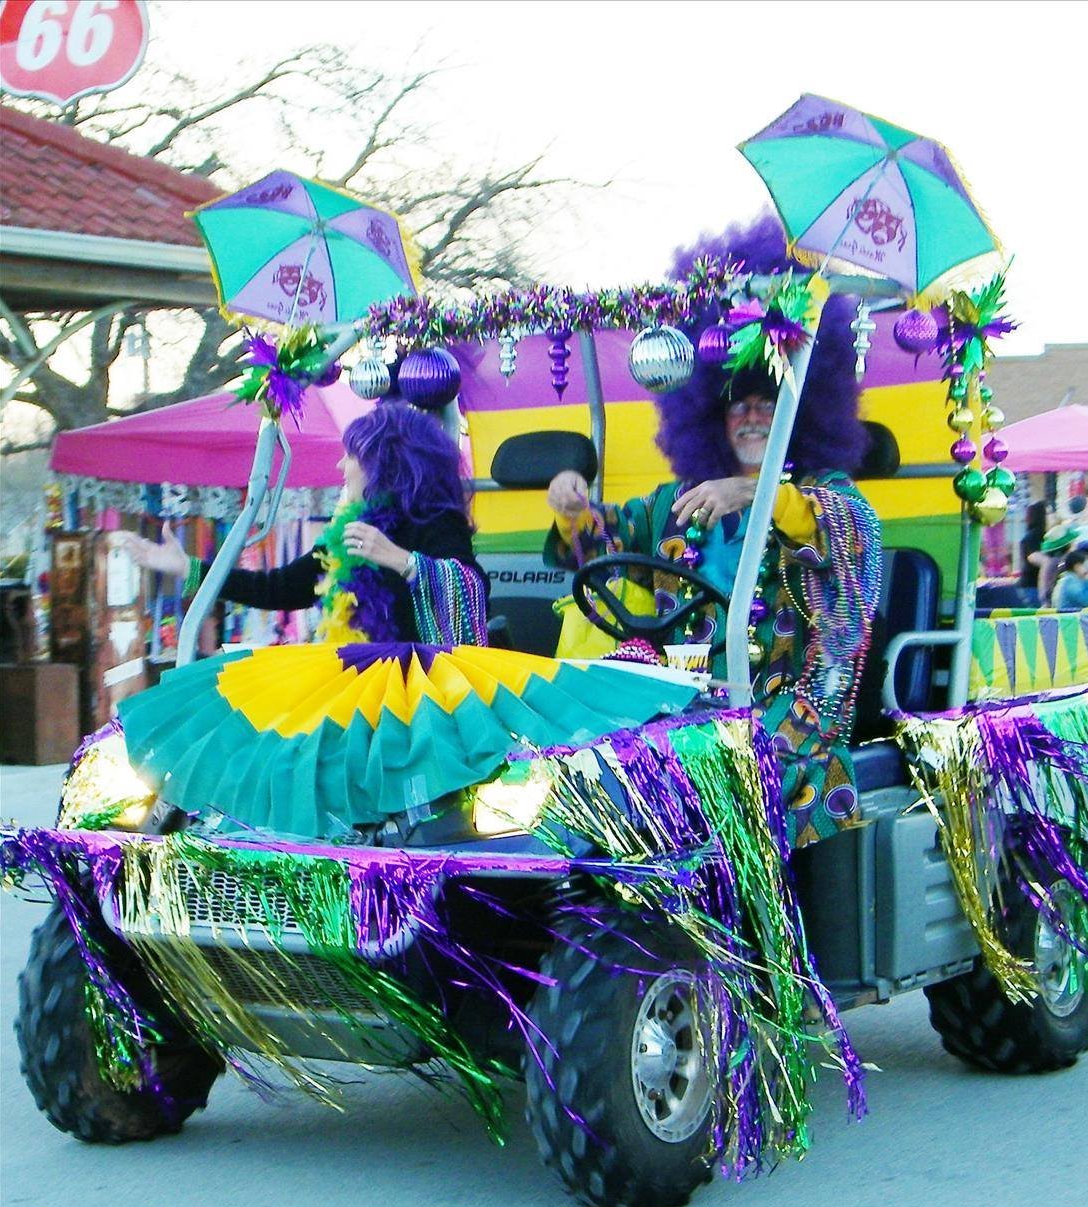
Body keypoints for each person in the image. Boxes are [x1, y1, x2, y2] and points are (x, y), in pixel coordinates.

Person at [545, 215, 882, 849]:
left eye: (768, 402)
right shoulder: (676, 503)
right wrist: (570, 508)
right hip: (686, 698)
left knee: (734, 774)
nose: (753, 417)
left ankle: (763, 924)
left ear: (799, 411)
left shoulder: (825, 495)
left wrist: (755, 492)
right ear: (711, 416)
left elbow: (851, 536)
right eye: (738, 405)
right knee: (584, 763)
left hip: (790, 709)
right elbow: (601, 549)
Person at [124, 399, 490, 647]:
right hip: (359, 688)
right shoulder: (349, 528)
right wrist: (188, 568)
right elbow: (279, 588)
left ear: (387, 463)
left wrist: (402, 561)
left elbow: (472, 591)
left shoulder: (436, 521)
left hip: (421, 700)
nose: (340, 466)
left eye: (351, 456)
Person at [1018, 501, 1047, 605]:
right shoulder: (1033, 536)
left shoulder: (1031, 535)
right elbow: (1033, 557)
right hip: (1031, 586)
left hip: (1031, 585)